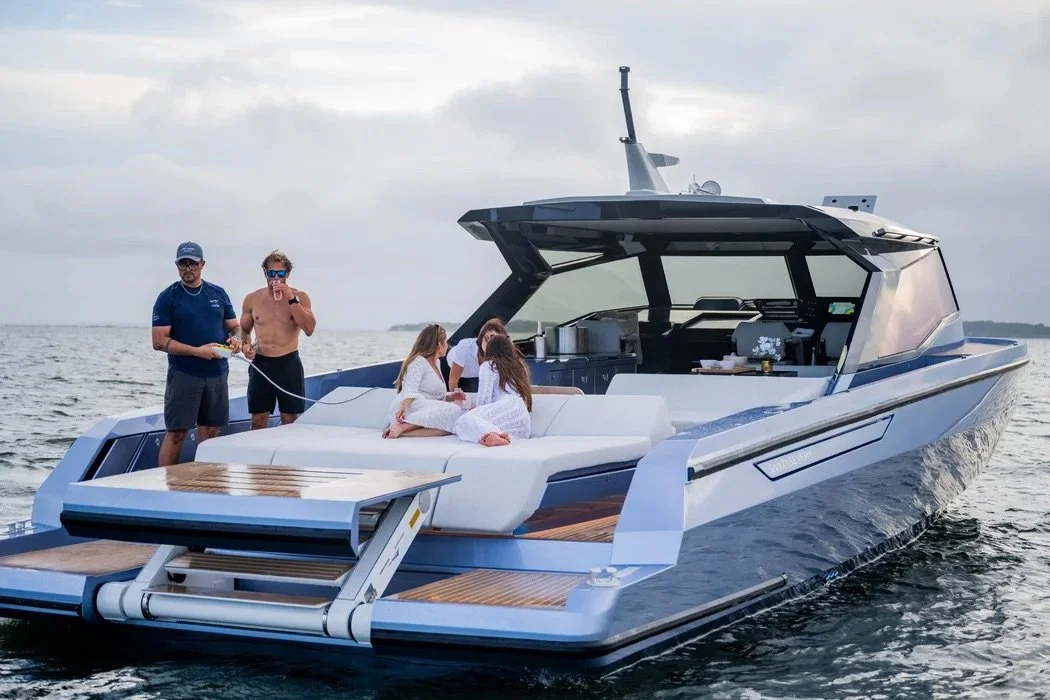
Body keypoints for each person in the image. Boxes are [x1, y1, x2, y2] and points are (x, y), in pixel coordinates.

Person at [151, 241, 242, 466]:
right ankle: (164, 483)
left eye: (192, 263)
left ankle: (206, 483)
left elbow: (235, 326)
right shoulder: (168, 297)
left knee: (211, 433)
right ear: (176, 265)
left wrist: (237, 339)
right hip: (184, 374)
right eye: (182, 264)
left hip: (217, 374)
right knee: (177, 433)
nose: (187, 269)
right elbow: (159, 342)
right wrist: (196, 352)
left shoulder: (218, 293)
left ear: (202, 264)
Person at [240, 250, 316, 429]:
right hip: (261, 362)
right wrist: (245, 346)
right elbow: (244, 329)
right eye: (271, 273)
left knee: (289, 419)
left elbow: (309, 329)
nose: (275, 278)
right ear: (265, 273)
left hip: (288, 362)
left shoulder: (300, 297)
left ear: (287, 274)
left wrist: (291, 298)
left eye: (280, 273)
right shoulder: (253, 299)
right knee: (258, 419)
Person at [384, 324, 466, 439]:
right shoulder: (419, 361)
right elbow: (410, 389)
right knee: (455, 411)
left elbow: (432, 396)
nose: (447, 345)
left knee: (454, 423)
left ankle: (401, 431)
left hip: (423, 410)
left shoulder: (437, 363)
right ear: (439, 344)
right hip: (408, 410)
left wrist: (451, 396)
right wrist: (405, 406)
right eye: (445, 342)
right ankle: (403, 426)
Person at [453, 335, 533, 447]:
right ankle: (497, 436)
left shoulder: (489, 366)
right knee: (473, 420)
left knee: (463, 421)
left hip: (505, 407)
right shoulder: (520, 366)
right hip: (523, 423)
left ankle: (493, 434)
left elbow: (483, 400)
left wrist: (472, 409)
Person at [446, 317, 511, 393]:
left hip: (472, 375)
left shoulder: (501, 353)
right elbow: (453, 381)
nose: (489, 344)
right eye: (487, 339)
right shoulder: (465, 346)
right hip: (448, 364)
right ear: (481, 337)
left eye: (494, 341)